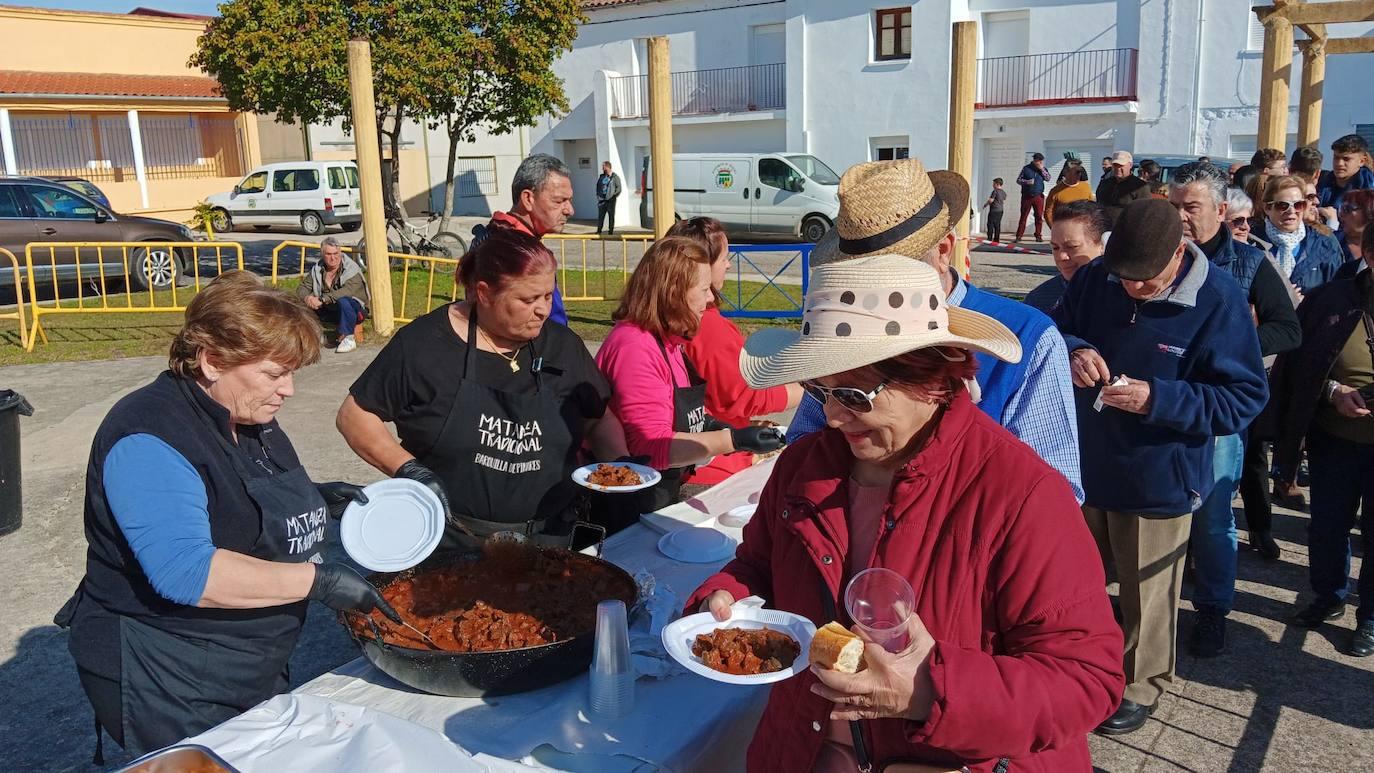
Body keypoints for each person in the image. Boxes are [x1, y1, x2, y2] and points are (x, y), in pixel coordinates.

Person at [686, 254, 1124, 772]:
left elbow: (1086, 678)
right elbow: (759, 563)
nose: (830, 415)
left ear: (935, 381)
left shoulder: (1021, 493)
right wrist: (729, 592)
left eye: (852, 394)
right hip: (800, 749)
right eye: (819, 389)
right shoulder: (804, 465)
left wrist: (931, 690)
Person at [56, 272, 396, 758]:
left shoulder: (244, 412)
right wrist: (317, 582)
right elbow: (186, 571)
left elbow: (231, 497)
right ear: (212, 360)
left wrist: (315, 498)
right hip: (170, 671)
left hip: (244, 659)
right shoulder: (149, 435)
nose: (289, 390)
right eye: (275, 373)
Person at [1051, 199, 1268, 733]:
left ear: (1178, 253)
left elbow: (1243, 398)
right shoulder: (1098, 277)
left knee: (1147, 592)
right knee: (1079, 582)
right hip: (1089, 463)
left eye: (1144, 281)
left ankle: (1141, 685)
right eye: (1122, 277)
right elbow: (1056, 326)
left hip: (1160, 473)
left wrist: (1158, 400)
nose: (1131, 288)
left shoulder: (1219, 299)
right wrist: (1076, 347)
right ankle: (1085, 670)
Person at [787, 158, 1083, 502]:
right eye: (861, 273)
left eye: (895, 268)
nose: (875, 287)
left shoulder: (1028, 335)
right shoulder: (844, 321)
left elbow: (1054, 494)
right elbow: (805, 442)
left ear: (943, 251)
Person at [337, 227, 628, 546]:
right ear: (484, 293)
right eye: (528, 299)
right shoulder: (423, 346)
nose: (543, 309)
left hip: (553, 536)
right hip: (453, 540)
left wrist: (624, 471)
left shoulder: (562, 346)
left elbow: (598, 418)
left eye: (548, 295)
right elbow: (355, 417)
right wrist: (409, 470)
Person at [1167, 162, 1301, 656]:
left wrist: (1231, 346)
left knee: (1214, 516)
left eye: (1191, 207)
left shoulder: (1248, 263)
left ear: (1222, 211)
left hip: (1218, 412)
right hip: (1161, 404)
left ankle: (1212, 611)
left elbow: (1289, 328)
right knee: (1162, 512)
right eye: (1173, 206)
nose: (1180, 216)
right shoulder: (1159, 255)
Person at [595, 236, 784, 519]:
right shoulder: (635, 347)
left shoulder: (669, 341)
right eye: (704, 289)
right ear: (674, 293)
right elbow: (651, 447)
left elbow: (678, 411)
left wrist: (713, 424)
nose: (710, 298)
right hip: (630, 505)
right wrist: (733, 440)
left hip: (663, 491)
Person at [1269, 226, 1374, 658]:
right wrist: (1334, 392)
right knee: (1328, 524)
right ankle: (1329, 595)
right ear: (1368, 253)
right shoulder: (1332, 299)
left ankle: (1370, 617)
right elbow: (1300, 365)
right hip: (1335, 439)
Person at [673, 216, 803, 485]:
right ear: (702, 265)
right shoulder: (707, 326)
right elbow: (742, 395)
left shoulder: (687, 320)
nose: (729, 265)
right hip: (714, 465)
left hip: (712, 452)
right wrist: (805, 390)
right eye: (724, 259)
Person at [473, 154, 575, 326]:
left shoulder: (493, 235)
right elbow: (552, 323)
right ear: (528, 198)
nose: (569, 210)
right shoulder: (517, 253)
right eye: (559, 201)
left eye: (569, 200)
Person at [1259, 174, 1345, 294]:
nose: (1291, 211)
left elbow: (1338, 295)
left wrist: (1307, 304)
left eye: (1298, 205)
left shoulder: (1325, 243)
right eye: (1282, 205)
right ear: (1267, 207)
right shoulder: (1252, 242)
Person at [1024, 200, 1109, 313]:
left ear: (1103, 244)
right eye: (1055, 248)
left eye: (1072, 246)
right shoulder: (1039, 301)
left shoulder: (1128, 294)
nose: (1061, 256)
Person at [296, 237, 367, 354]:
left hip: (355, 310)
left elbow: (347, 291)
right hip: (327, 308)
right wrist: (308, 298)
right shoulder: (318, 269)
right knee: (300, 304)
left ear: (340, 252)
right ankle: (310, 337)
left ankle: (348, 338)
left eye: (336, 253)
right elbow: (302, 288)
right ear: (322, 254)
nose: (333, 258)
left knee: (344, 301)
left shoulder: (352, 269)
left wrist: (322, 299)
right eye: (329, 254)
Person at [1316, 134, 1374, 225]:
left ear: (1362, 161)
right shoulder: (1321, 183)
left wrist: (1332, 223)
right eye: (1336, 157)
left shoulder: (1369, 190)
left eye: (1346, 159)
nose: (1339, 163)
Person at [1096, 150, 1150, 222]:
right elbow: (1098, 204)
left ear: (1130, 165)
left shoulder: (1140, 186)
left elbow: (1144, 212)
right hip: (1104, 227)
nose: (1118, 168)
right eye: (1115, 165)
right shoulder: (1105, 183)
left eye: (1121, 165)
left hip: (1127, 229)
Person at [1014, 152, 1051, 243]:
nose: (1040, 162)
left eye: (1041, 161)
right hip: (1027, 196)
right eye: (1038, 161)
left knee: (1039, 216)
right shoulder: (1026, 168)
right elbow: (1018, 180)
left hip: (1038, 196)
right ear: (1034, 160)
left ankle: (1038, 235)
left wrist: (1042, 169)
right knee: (1023, 216)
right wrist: (1027, 182)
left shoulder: (1043, 169)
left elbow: (1048, 178)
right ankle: (1019, 236)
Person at [1335, 188, 1374, 262]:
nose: (1340, 214)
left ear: (1369, 212)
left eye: (1347, 209)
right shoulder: (1330, 244)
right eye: (1341, 209)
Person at [595, 161, 622, 236]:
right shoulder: (602, 177)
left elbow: (619, 188)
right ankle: (599, 230)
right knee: (601, 216)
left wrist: (613, 196)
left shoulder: (615, 177)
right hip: (602, 200)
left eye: (603, 166)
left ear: (607, 167)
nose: (602, 168)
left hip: (611, 200)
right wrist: (598, 195)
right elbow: (598, 186)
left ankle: (610, 231)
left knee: (611, 216)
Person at [980, 177, 1006, 243]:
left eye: (994, 184)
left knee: (990, 224)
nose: (993, 185)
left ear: (997, 184)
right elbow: (1004, 199)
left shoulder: (995, 191)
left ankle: (989, 238)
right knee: (997, 225)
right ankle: (996, 239)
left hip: (994, 210)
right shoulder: (1003, 192)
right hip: (1000, 210)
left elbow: (991, 200)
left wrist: (985, 204)